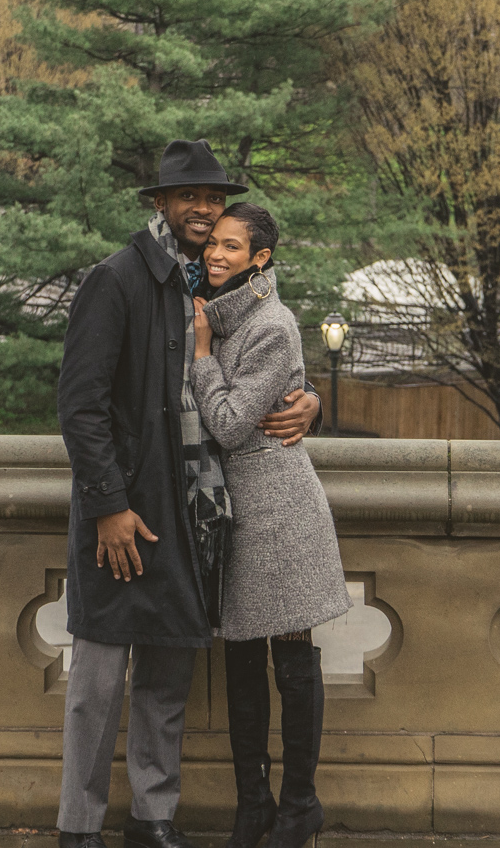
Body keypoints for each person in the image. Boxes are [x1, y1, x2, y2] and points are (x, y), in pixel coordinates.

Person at [55, 140, 322, 848]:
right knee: (97, 681)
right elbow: (79, 405)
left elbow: (260, 354)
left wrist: (312, 399)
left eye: (213, 197)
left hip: (190, 515)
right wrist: (109, 505)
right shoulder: (115, 279)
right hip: (123, 512)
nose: (204, 208)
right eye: (190, 197)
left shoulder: (200, 286)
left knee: (167, 679)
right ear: (161, 204)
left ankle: (153, 817)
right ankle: (78, 828)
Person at [190, 204, 351, 848]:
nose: (216, 254)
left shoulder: (271, 324)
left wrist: (202, 355)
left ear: (260, 259)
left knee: (289, 657)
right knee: (241, 662)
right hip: (229, 512)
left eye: (233, 247)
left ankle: (299, 804)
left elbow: (229, 424)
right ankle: (251, 804)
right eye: (215, 244)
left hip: (279, 511)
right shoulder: (210, 304)